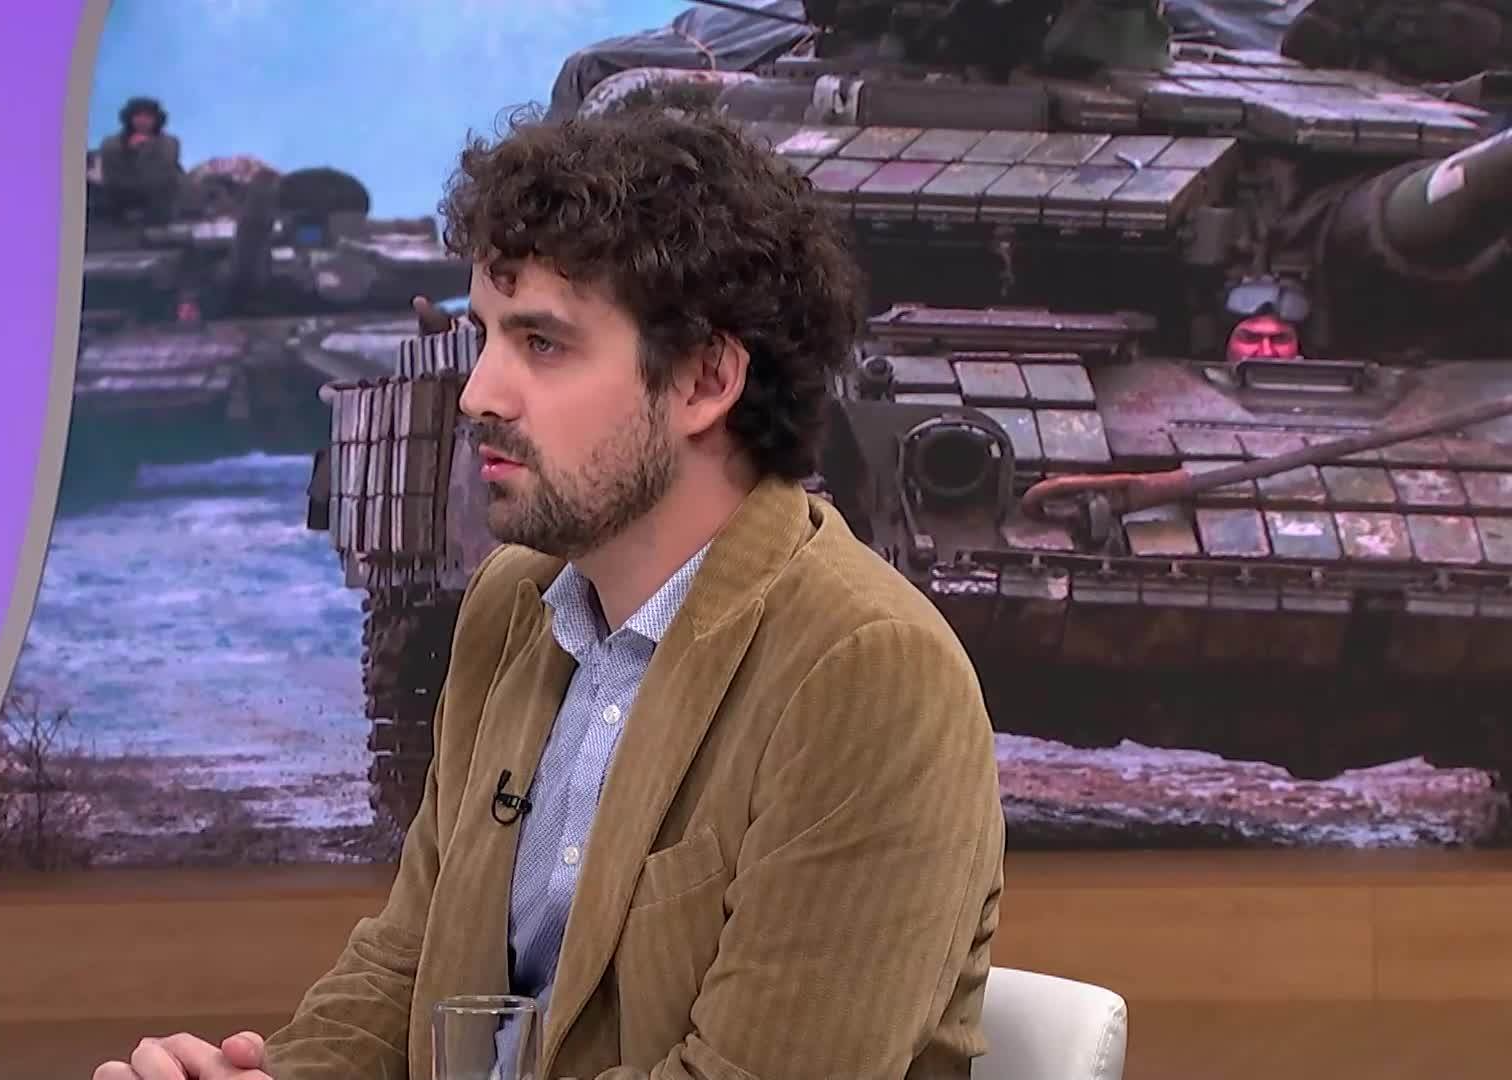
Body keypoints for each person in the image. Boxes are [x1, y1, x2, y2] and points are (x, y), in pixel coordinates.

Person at [95, 105, 1005, 1080]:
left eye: (542, 343)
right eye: (485, 335)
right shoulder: (512, 607)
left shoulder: (867, 674)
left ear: (704, 380)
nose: (478, 393)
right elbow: (406, 972)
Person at [97, 96, 185, 224]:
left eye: (148, 116)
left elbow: (170, 172)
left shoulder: (170, 143)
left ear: (157, 119)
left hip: (161, 207)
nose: (143, 121)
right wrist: (129, 151)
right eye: (138, 115)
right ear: (129, 117)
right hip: (122, 204)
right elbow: (112, 176)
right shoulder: (111, 143)